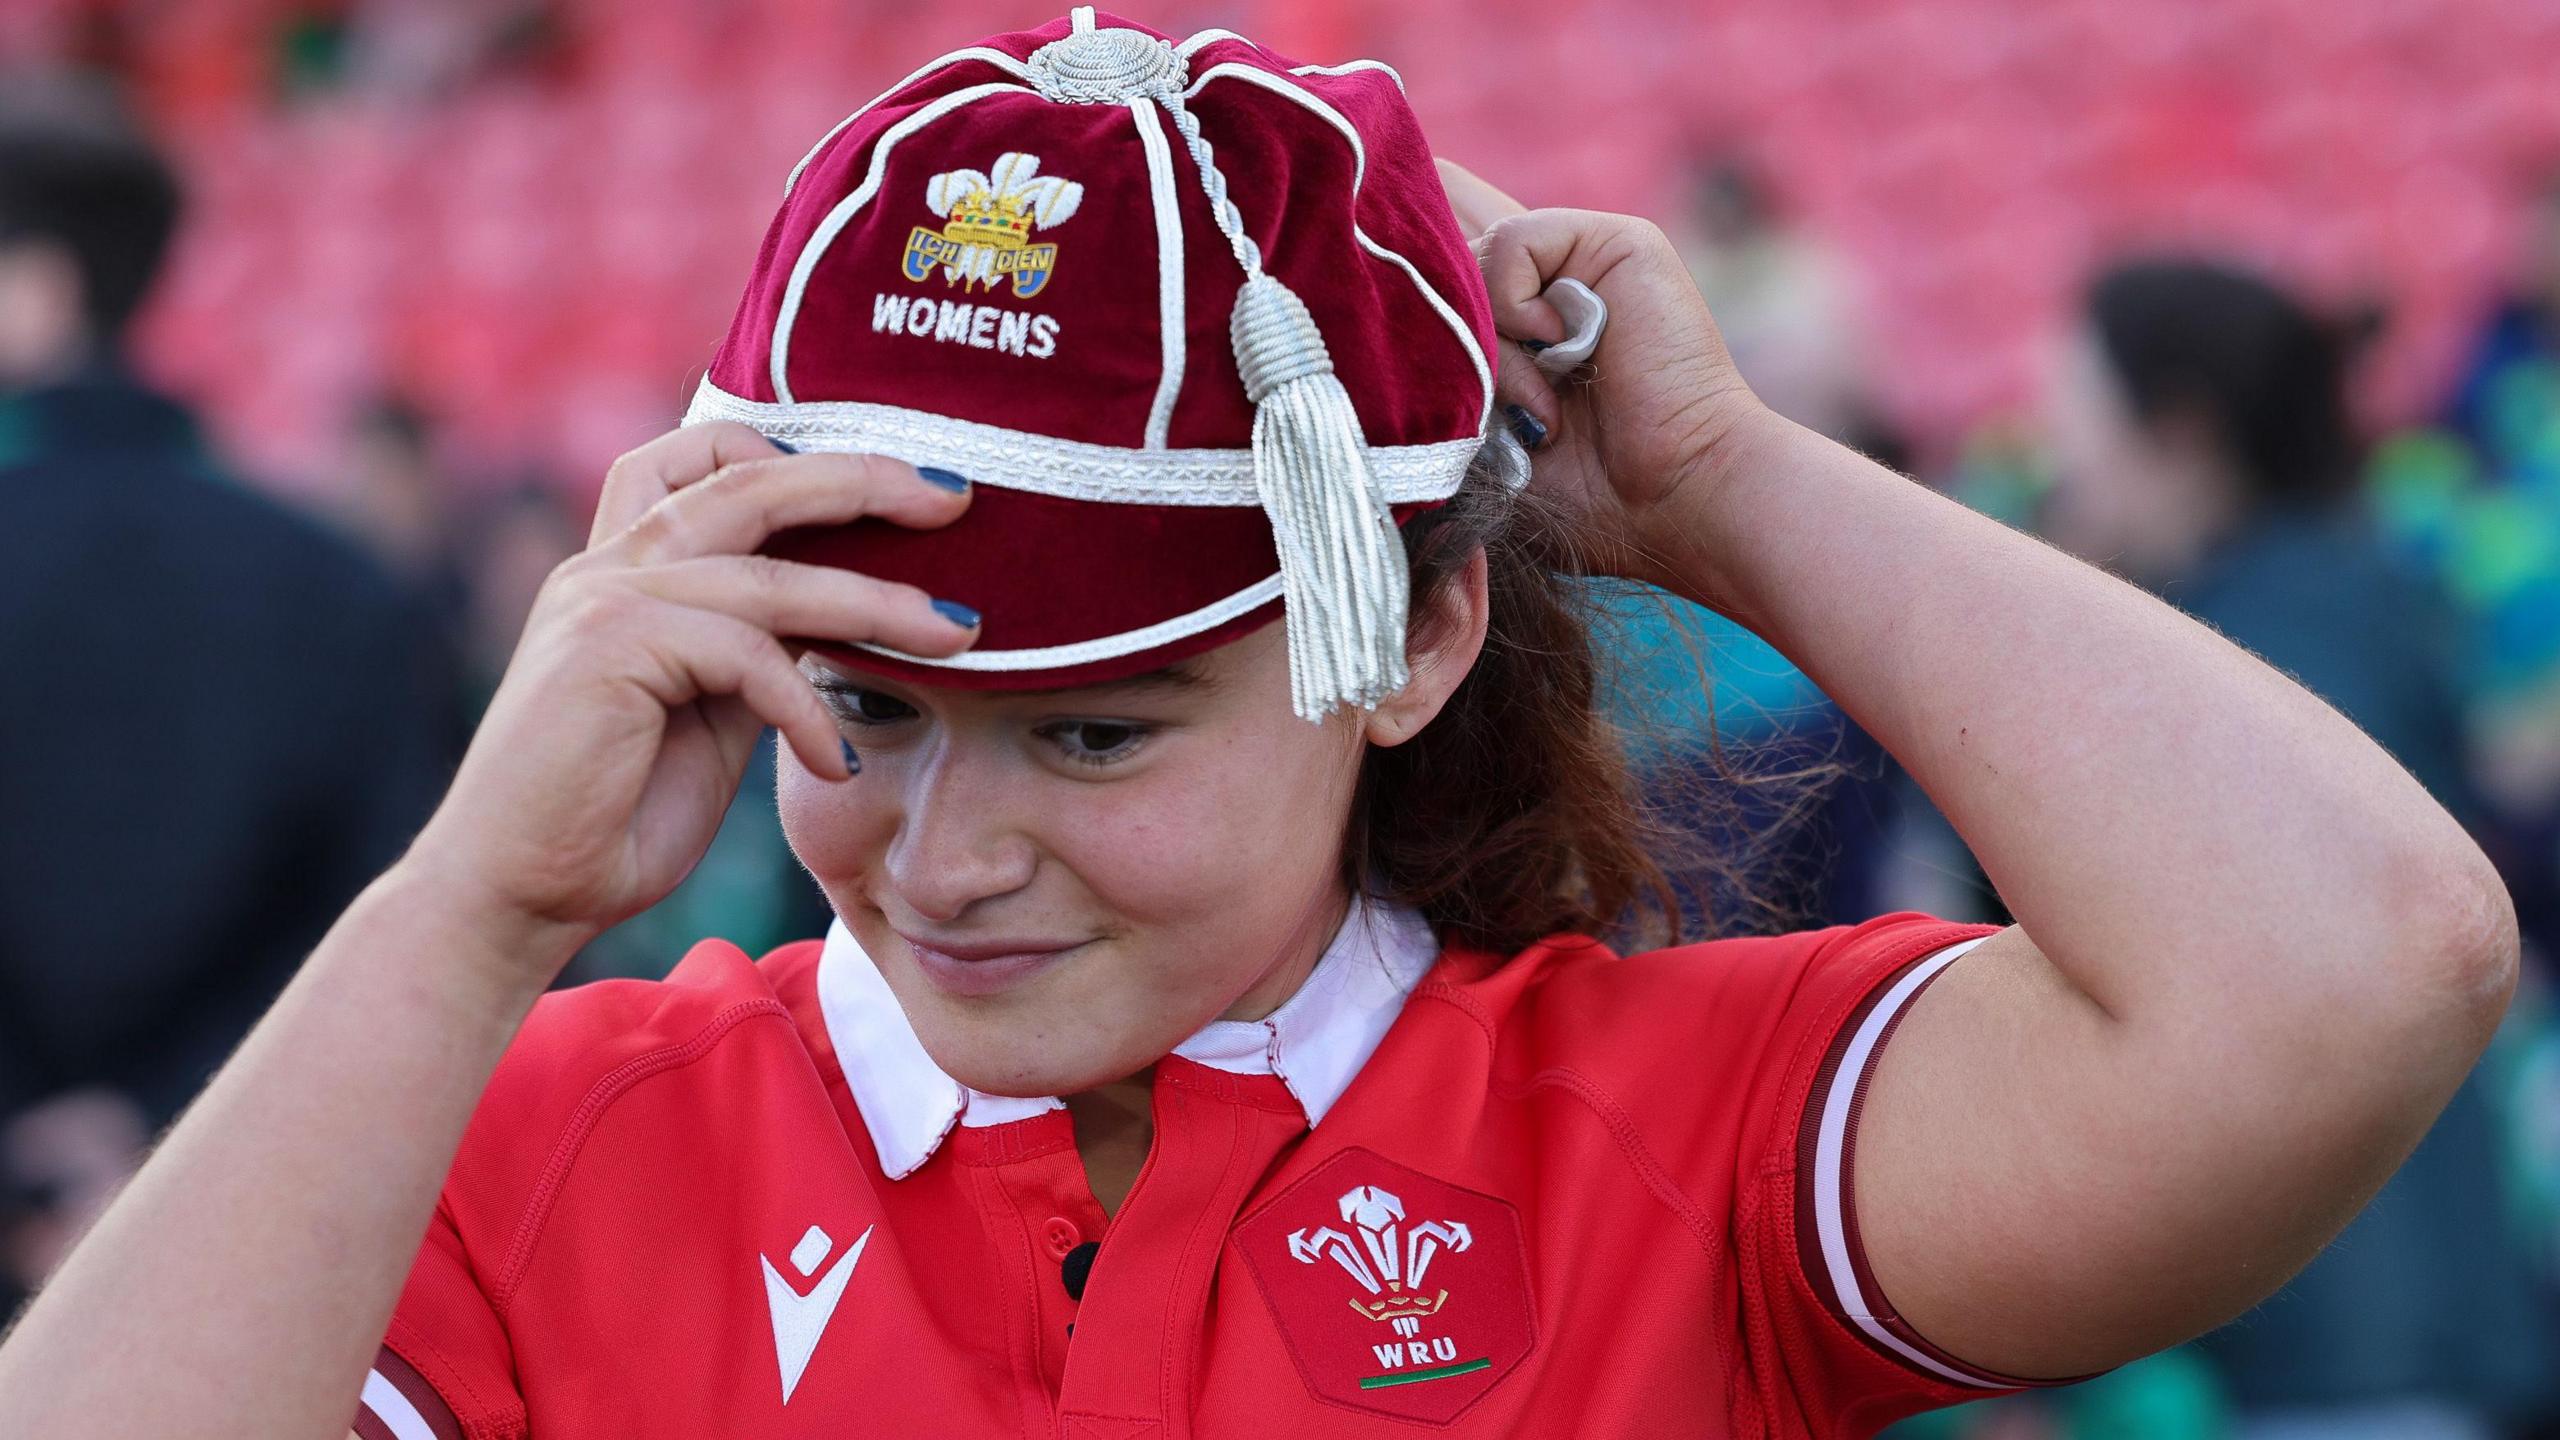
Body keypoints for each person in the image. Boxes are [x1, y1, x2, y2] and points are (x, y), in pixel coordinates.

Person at [0, 13, 2521, 1438]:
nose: (950, 848)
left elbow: (2356, 965)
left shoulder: (1662, 1126)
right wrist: (472, 905)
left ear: (1402, 637)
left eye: (1093, 731)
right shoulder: (550, 1130)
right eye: (861, 704)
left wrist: (1731, 491)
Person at [2038, 258, 2560, 1440]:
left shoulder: (2236, 654)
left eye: (2075, 416)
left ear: (2178, 430)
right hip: (2414, 1317)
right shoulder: (2357, 596)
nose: (2056, 467)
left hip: (2334, 1339)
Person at [0, 75, 460, 1313]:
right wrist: (152, 1125)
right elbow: (385, 906)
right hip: (220, 1232)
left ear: (36, 289)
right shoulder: (339, 579)